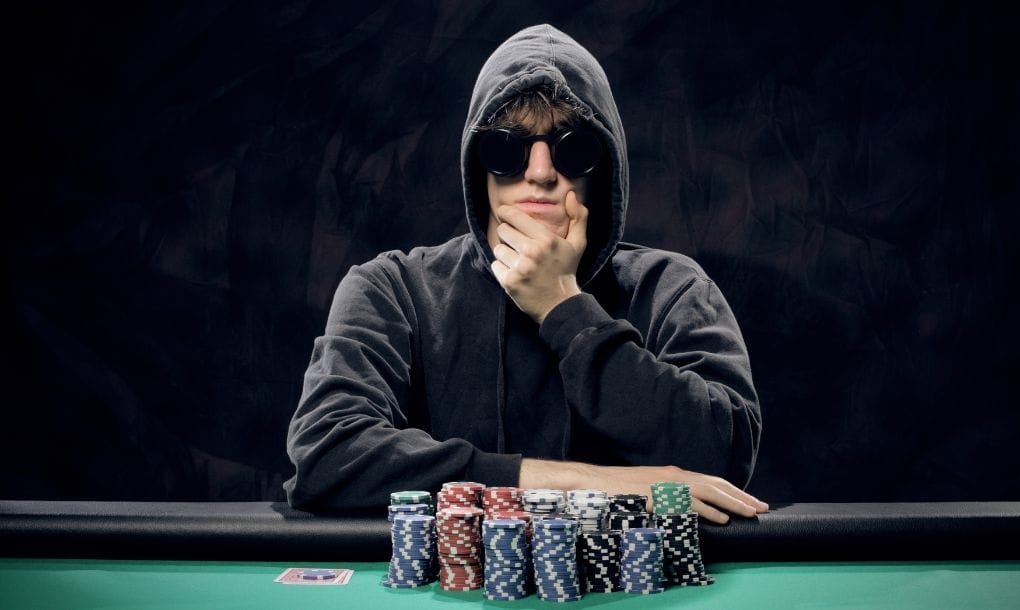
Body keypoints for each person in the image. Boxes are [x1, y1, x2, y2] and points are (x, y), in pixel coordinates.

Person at [285, 24, 767, 524]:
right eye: (506, 150)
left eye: (572, 148)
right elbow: (327, 454)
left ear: (601, 170)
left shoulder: (670, 287)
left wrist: (566, 310)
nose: (539, 172)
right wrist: (586, 482)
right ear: (477, 167)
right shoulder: (393, 289)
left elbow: (726, 456)